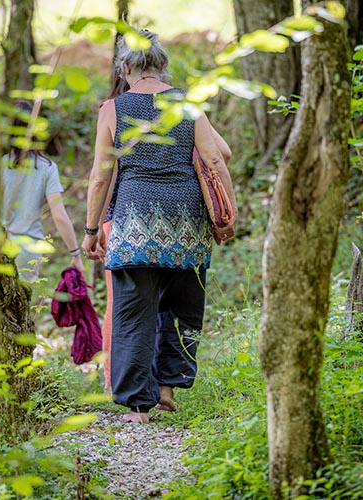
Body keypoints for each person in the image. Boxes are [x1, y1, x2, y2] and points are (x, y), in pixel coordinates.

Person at [82, 30, 237, 423]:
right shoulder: (186, 103)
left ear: (126, 67)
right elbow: (218, 160)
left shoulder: (113, 109)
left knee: (134, 310)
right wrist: (226, 215)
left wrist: (91, 228)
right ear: (162, 65)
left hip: (134, 222)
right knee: (181, 307)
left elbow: (101, 177)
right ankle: (167, 389)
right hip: (187, 220)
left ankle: (139, 406)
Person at [0, 102, 84, 282]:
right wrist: (76, 254)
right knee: (21, 306)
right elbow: (59, 215)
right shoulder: (47, 168)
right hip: (30, 250)